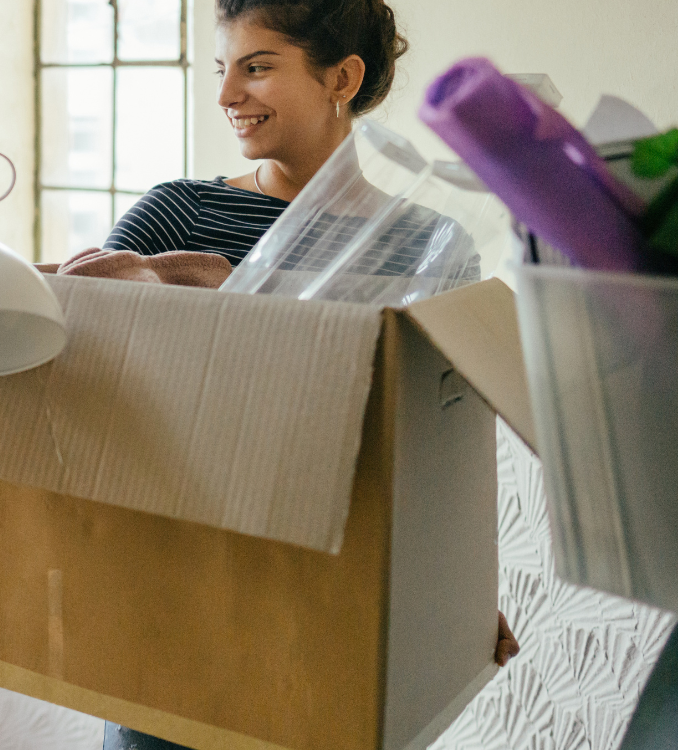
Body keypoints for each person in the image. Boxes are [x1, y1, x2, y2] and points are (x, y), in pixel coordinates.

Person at [78, 1, 517, 747]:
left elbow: (437, 445)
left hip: (336, 603)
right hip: (181, 593)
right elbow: (89, 369)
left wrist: (460, 587)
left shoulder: (429, 246)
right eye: (224, 70)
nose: (226, 96)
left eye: (257, 67)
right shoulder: (178, 217)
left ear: (341, 77)